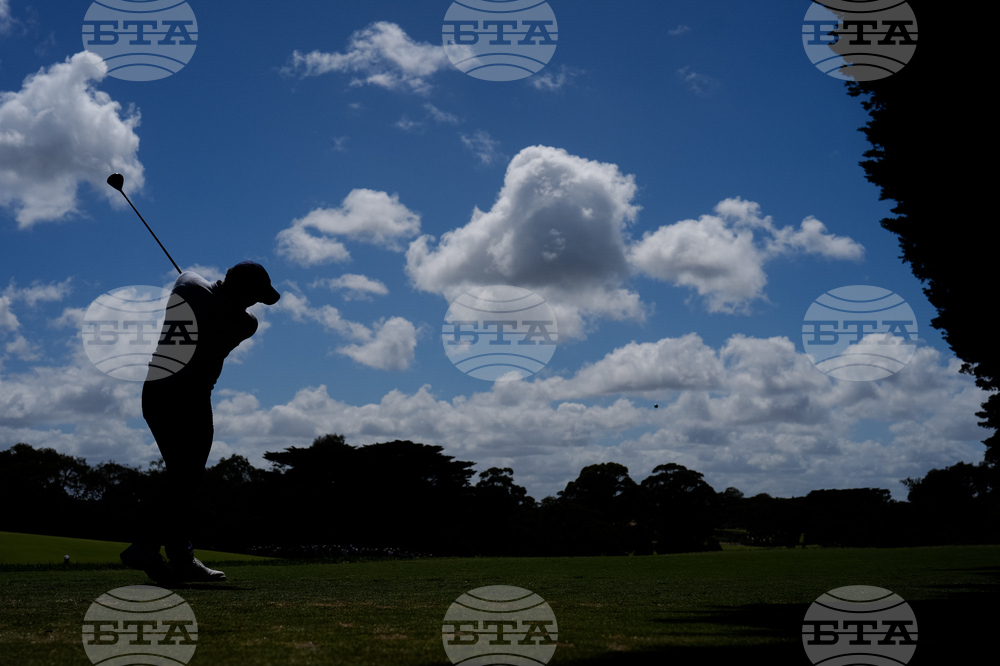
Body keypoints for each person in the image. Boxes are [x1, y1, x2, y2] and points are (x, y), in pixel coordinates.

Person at [120, 261, 280, 584]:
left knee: (182, 478)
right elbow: (236, 308)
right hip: (190, 400)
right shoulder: (244, 324)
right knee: (185, 477)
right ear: (243, 291)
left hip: (155, 392)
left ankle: (175, 555)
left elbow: (188, 275)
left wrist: (215, 289)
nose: (254, 303)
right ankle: (150, 546)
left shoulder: (189, 289)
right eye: (254, 295)